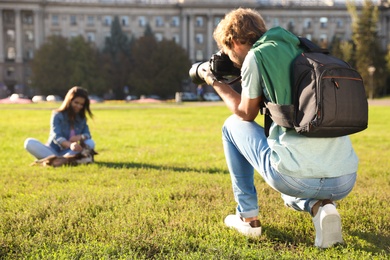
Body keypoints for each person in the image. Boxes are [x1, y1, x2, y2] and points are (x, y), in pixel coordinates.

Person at [200, 8, 358, 248]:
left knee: (231, 126)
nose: (231, 59)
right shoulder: (305, 48)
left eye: (229, 52)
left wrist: (214, 81)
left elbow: (246, 113)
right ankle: (321, 207)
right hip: (344, 179)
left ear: (233, 41)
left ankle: (247, 217)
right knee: (295, 169)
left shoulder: (257, 55)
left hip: (295, 178)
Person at [24, 86, 96, 164]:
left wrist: (80, 137)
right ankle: (64, 160)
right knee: (29, 142)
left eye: (81, 104)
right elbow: (57, 137)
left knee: (90, 143)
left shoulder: (81, 118)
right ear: (69, 101)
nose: (79, 106)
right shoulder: (57, 115)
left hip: (70, 152)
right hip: (53, 150)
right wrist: (70, 145)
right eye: (76, 102)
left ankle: (58, 160)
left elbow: (87, 134)